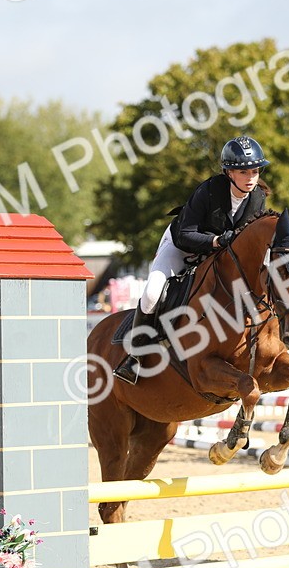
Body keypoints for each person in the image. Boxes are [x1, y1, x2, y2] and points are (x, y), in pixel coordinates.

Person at [114, 135, 271, 383]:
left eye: (255, 171)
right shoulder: (208, 191)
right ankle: (135, 356)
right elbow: (186, 234)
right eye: (244, 172)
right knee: (153, 292)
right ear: (229, 173)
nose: (251, 177)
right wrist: (216, 241)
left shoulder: (257, 198)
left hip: (217, 253)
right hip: (181, 246)